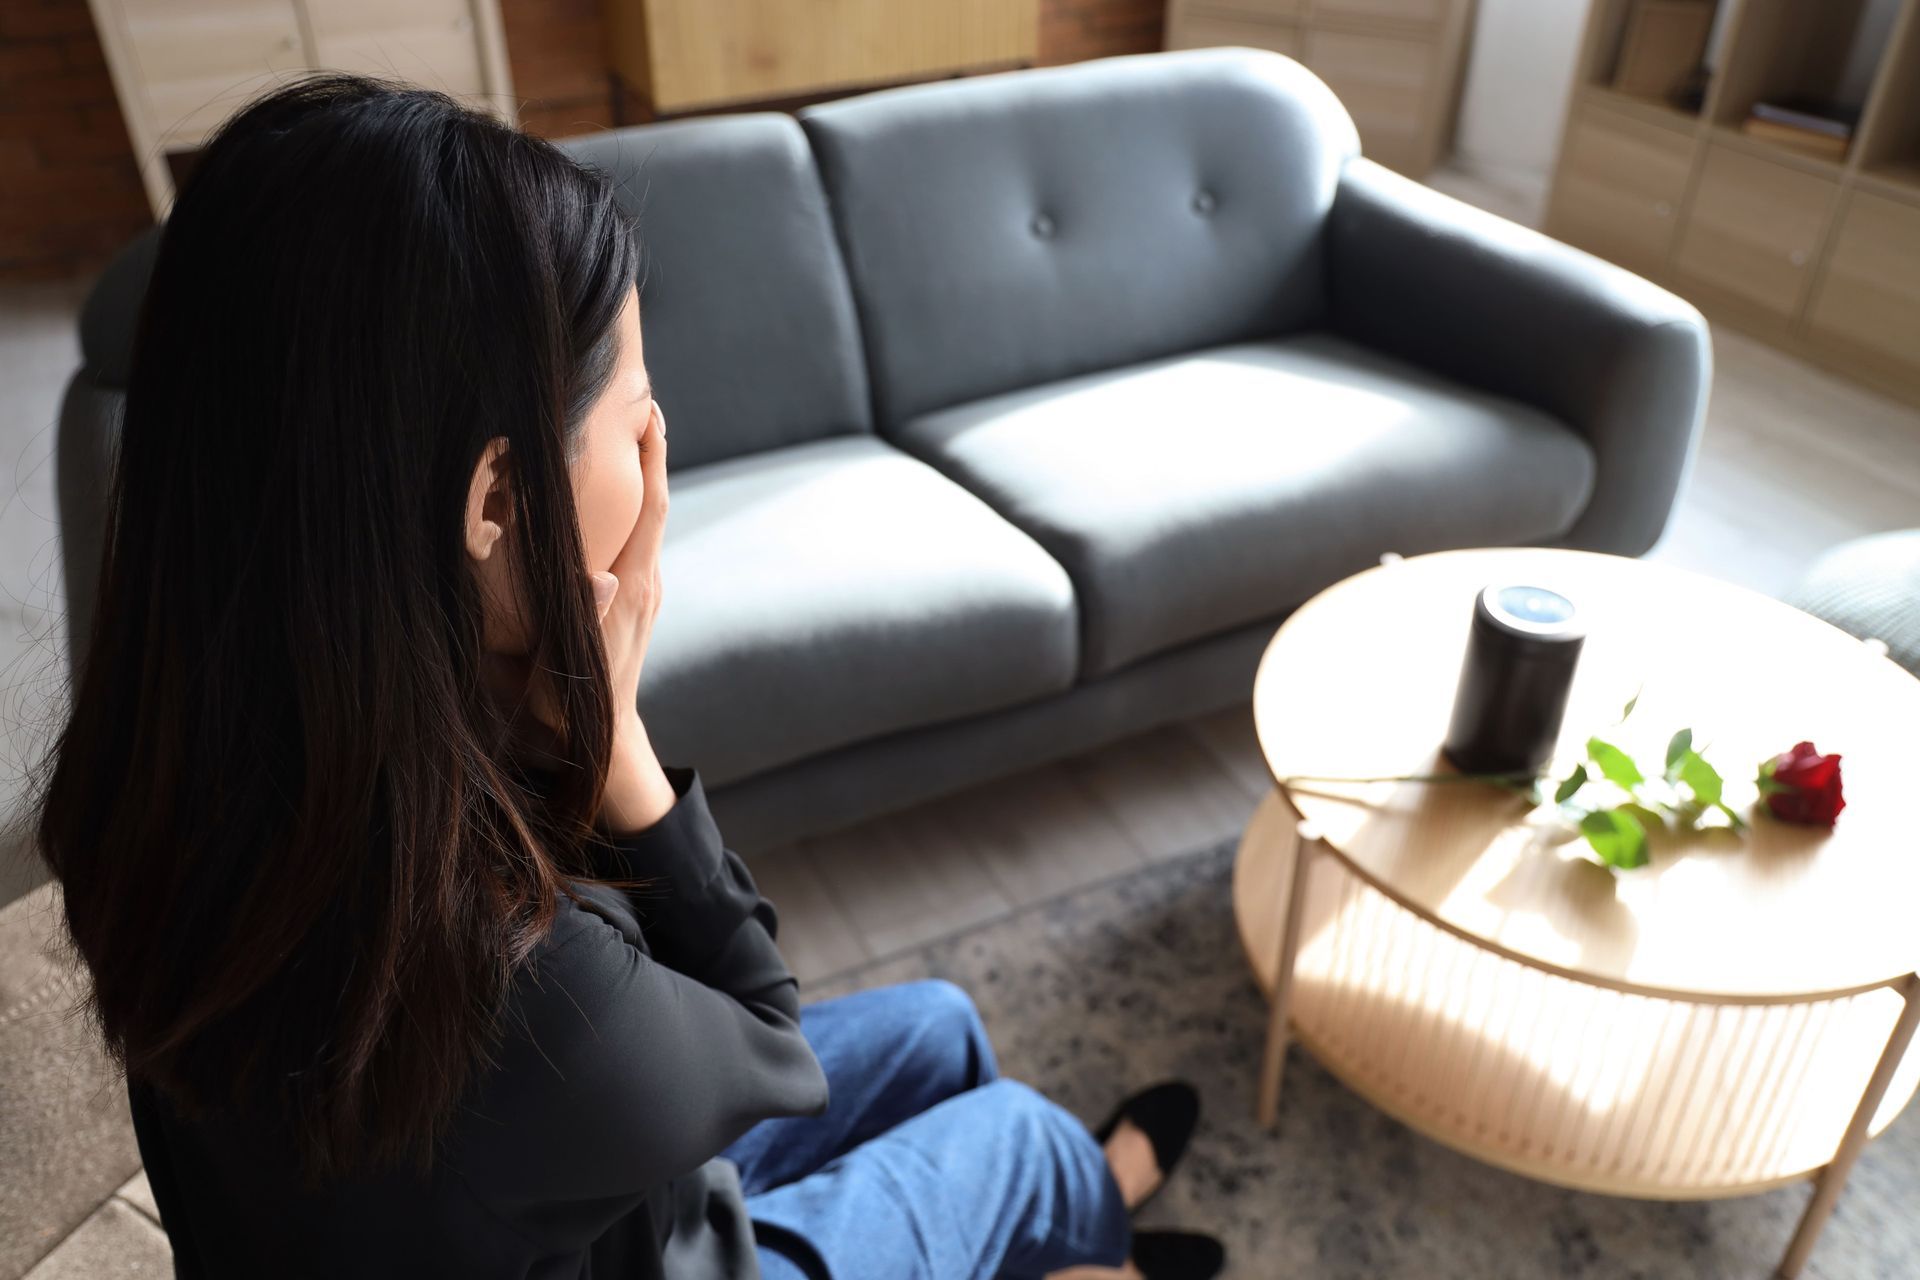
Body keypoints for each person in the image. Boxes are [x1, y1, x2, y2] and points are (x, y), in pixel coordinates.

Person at [34, 74, 1229, 1280]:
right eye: (640, 420)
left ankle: (1062, 1236)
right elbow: (772, 1041)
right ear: (498, 498)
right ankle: (1098, 1237)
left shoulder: (146, 791)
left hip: (535, 1202)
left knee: (943, 1028)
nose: (659, 470)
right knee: (1025, 1139)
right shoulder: (522, 985)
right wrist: (617, 744)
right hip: (642, 1230)